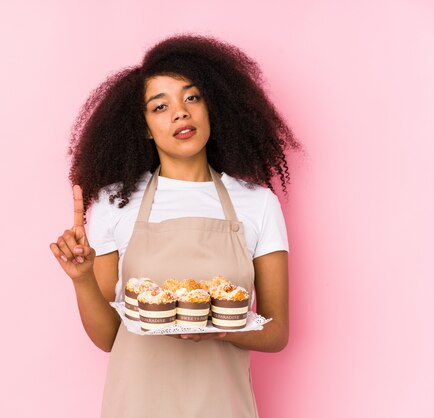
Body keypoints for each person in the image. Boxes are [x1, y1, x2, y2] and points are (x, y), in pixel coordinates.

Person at [49, 34, 300, 418]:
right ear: (145, 128)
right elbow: (108, 337)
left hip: (222, 406)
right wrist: (82, 279)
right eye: (160, 106)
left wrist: (217, 329)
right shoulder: (115, 203)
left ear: (212, 107)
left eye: (192, 98)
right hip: (136, 405)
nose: (180, 113)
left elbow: (277, 331)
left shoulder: (257, 203)